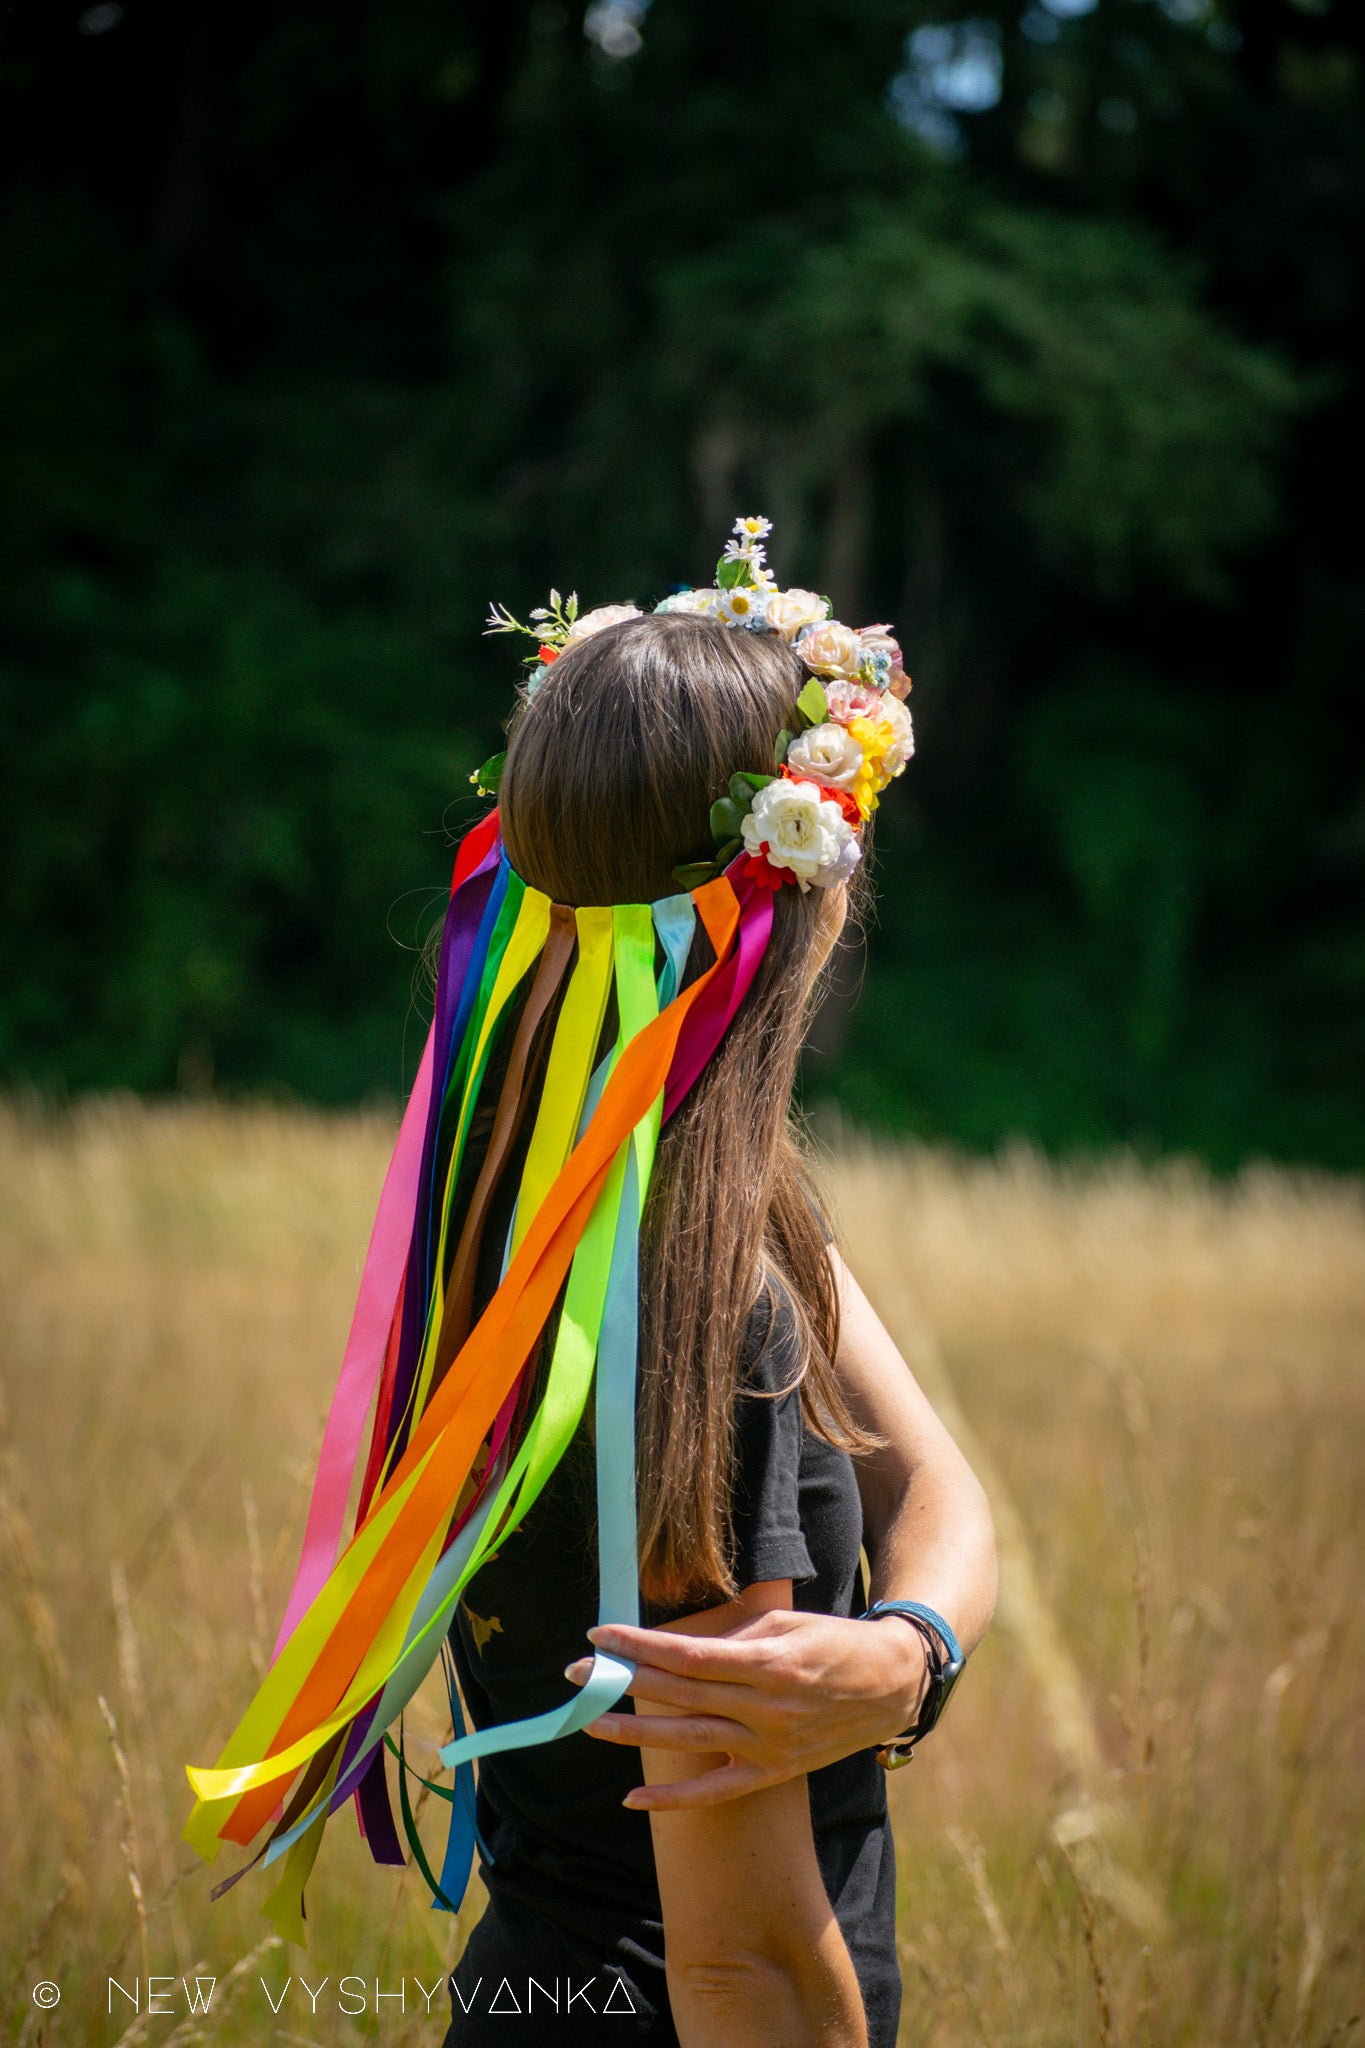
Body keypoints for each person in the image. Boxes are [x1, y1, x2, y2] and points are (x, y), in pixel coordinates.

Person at [182, 520, 996, 2048]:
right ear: (799, 893)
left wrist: (907, 1655)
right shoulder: (707, 1314)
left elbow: (936, 1491)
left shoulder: (590, 1202)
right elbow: (742, 1963)